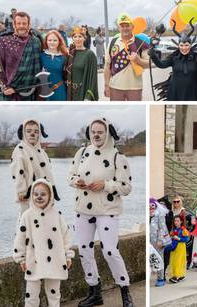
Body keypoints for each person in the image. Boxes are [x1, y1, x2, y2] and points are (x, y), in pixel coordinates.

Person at [67, 118, 134, 307]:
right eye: (93, 131)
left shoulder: (117, 157)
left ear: (107, 134)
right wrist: (76, 182)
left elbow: (126, 187)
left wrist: (105, 185)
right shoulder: (81, 153)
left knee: (110, 250)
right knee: (85, 250)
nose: (96, 135)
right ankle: (94, 292)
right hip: (82, 209)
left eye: (100, 132)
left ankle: (125, 292)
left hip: (107, 210)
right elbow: (70, 176)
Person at [13, 179, 74, 307]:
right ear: (31, 195)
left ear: (50, 195)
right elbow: (20, 238)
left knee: (54, 294)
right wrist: (21, 259)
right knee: (31, 295)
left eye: (43, 194)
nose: (39, 197)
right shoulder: (27, 216)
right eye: (36, 194)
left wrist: (68, 255)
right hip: (33, 260)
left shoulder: (57, 215)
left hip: (55, 260)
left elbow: (66, 236)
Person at [149, 19, 197, 101]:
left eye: (186, 45)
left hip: (192, 93)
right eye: (182, 45)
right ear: (178, 45)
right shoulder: (174, 57)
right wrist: (153, 55)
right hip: (175, 92)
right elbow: (162, 64)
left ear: (190, 45)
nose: (184, 48)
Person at [0, 12, 43, 101]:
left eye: (24, 23)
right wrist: (4, 86)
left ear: (29, 25)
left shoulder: (36, 41)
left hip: (30, 90)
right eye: (18, 23)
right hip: (9, 90)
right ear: (14, 24)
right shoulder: (3, 41)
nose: (21, 26)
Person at [10, 119, 58, 216]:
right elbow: (18, 172)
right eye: (29, 131)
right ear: (23, 133)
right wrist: (21, 191)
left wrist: (52, 192)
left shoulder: (42, 151)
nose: (32, 134)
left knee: (45, 221)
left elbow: (48, 172)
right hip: (28, 194)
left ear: (40, 134)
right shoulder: (20, 150)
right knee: (27, 220)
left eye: (36, 132)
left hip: (45, 194)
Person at [104, 13, 150, 101]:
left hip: (135, 88)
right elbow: (107, 66)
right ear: (119, 28)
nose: (125, 28)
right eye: (122, 26)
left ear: (132, 26)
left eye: (127, 25)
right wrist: (106, 85)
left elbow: (150, 63)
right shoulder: (113, 42)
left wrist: (138, 60)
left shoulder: (140, 43)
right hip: (115, 87)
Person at [64, 26, 98, 100]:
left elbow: (93, 78)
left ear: (84, 38)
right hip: (70, 92)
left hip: (83, 91)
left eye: (80, 36)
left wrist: (88, 96)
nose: (77, 39)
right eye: (75, 37)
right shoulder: (70, 54)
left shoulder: (89, 54)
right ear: (72, 39)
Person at [41, 30, 68, 101]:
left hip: (59, 89)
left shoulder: (64, 57)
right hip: (44, 90)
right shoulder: (41, 56)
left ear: (59, 41)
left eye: (55, 40)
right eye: (49, 40)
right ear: (46, 41)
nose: (52, 42)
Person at [149, 198, 171, 287]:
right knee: (151, 259)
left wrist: (161, 240)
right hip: (150, 241)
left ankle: (161, 278)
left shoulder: (160, 215)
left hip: (158, 241)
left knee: (159, 259)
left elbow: (163, 228)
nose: (151, 208)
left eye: (152, 206)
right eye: (149, 207)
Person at [166, 216, 189, 283]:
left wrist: (179, 239)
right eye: (175, 221)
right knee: (173, 260)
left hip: (180, 247)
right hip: (174, 246)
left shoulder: (183, 229)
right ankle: (179, 275)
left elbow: (186, 239)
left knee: (178, 261)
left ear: (181, 221)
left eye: (178, 221)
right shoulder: (174, 229)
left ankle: (176, 276)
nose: (176, 222)